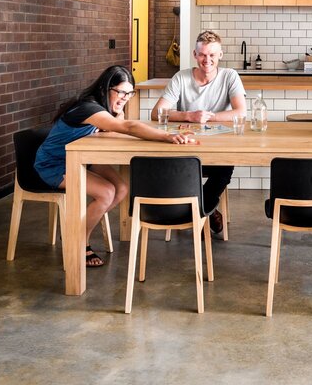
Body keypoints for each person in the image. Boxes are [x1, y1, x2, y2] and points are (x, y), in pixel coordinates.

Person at [34, 65, 197, 267]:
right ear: (105, 88)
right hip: (54, 165)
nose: (125, 97)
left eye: (129, 93)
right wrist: (167, 136)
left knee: (121, 189)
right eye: (121, 92)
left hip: (81, 157)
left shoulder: (102, 108)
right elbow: (127, 127)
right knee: (107, 193)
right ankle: (78, 240)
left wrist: (118, 109)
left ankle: (78, 227)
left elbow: (116, 125)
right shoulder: (89, 108)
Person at [151, 30, 246, 234]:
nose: (207, 60)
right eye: (202, 54)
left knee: (225, 166)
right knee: (175, 167)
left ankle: (197, 210)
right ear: (195, 55)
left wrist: (208, 117)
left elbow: (241, 112)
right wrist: (189, 116)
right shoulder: (181, 77)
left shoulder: (230, 76)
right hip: (185, 148)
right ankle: (207, 211)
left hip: (217, 150)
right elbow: (156, 113)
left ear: (220, 55)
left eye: (212, 55)